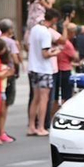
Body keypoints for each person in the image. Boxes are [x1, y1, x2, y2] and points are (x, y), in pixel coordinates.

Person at [26, 7, 62, 136]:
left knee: (35, 98)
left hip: (33, 67)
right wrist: (56, 52)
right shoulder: (46, 33)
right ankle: (41, 126)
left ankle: (31, 126)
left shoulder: (34, 29)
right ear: (54, 20)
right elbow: (45, 53)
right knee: (44, 99)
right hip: (44, 69)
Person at [0, 19, 20, 143]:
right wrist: (16, 71)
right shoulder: (10, 42)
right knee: (5, 103)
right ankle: (2, 131)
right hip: (8, 72)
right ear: (10, 29)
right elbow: (15, 59)